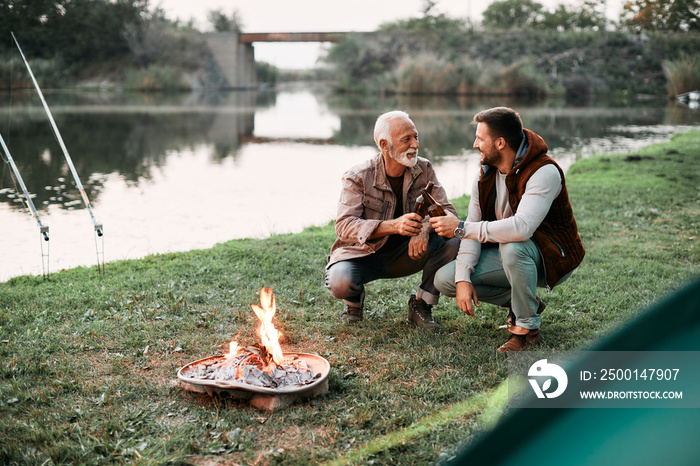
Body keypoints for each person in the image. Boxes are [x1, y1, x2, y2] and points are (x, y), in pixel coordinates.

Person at [431, 107, 585, 352]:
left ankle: (526, 329)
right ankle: (526, 302)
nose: (474, 144)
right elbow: (472, 230)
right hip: (512, 253)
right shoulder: (484, 174)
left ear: (500, 143)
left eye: (480, 139)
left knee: (513, 245)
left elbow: (521, 228)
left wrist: (460, 228)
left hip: (552, 257)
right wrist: (462, 278)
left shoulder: (544, 171)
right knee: (446, 279)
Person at [325, 110, 460, 328]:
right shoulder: (357, 176)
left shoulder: (424, 169)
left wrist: (424, 229)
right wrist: (394, 226)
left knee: (452, 240)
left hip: (407, 255)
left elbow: (450, 215)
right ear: (384, 145)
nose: (415, 145)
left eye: (416, 137)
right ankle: (353, 301)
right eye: (406, 139)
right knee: (340, 282)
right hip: (362, 255)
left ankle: (421, 305)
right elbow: (344, 226)